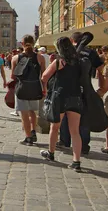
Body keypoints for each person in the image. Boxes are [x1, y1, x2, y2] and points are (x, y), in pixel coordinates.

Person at [40, 37, 84, 172]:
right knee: (75, 131)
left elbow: (44, 77)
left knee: (55, 127)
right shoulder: (78, 61)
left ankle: (51, 153)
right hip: (75, 96)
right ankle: (76, 161)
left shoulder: (59, 62)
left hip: (60, 96)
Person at [58, 32, 103, 155]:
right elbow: (100, 70)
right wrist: (102, 87)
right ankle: (83, 145)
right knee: (84, 117)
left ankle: (64, 140)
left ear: (72, 40)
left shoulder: (67, 51)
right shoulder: (90, 52)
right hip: (86, 87)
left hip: (69, 87)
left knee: (66, 115)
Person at [11, 35, 46, 146]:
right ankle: (33, 131)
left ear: (22, 43)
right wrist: (44, 88)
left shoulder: (16, 58)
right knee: (33, 112)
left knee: (24, 115)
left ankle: (28, 137)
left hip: (22, 88)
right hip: (35, 87)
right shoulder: (40, 58)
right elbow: (43, 75)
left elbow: (13, 76)